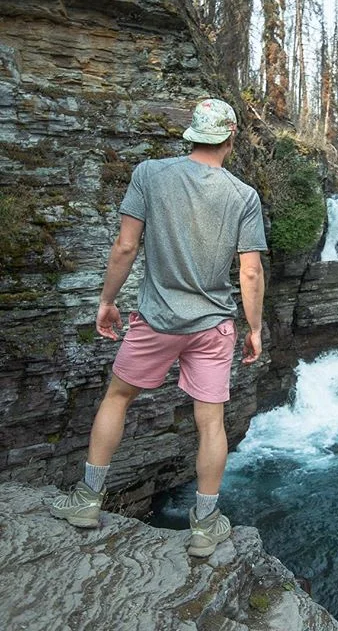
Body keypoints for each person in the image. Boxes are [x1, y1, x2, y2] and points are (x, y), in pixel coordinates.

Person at [51, 98, 267, 557]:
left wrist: (107, 301)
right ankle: (206, 527)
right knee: (210, 422)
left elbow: (126, 247)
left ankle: (88, 501)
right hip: (213, 326)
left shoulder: (150, 174)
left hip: (156, 321)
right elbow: (249, 273)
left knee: (117, 396)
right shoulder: (243, 196)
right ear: (230, 137)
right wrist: (254, 328)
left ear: (192, 134)